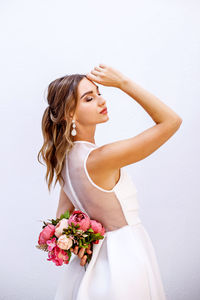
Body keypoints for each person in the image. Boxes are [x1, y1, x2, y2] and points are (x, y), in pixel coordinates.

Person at [38, 64, 182, 299]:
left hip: (93, 266)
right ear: (69, 114)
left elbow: (61, 218)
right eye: (89, 98)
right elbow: (171, 121)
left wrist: (75, 241)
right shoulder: (101, 158)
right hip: (124, 259)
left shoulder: (64, 160)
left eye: (99, 93)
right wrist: (123, 82)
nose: (101, 101)